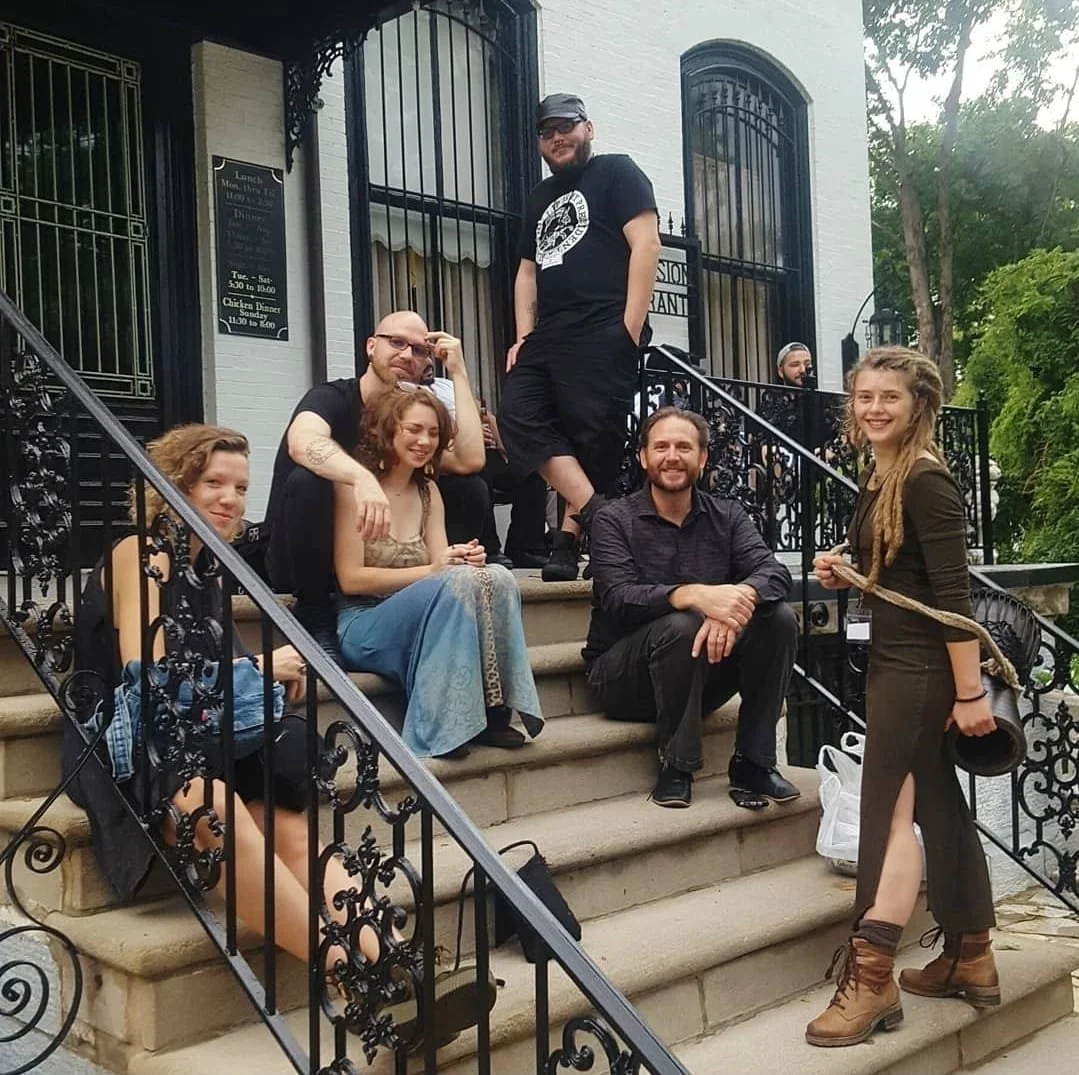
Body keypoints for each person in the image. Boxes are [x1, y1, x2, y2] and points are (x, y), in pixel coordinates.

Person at [806, 347, 998, 1048]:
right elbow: (906, 576)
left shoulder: (923, 480)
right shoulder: (882, 474)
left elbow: (953, 598)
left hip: (920, 671)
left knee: (888, 813)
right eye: (863, 397)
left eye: (889, 397)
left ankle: (872, 974)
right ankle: (970, 955)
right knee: (938, 805)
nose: (874, 408)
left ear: (919, 405)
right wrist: (848, 574)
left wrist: (970, 689)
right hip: (895, 660)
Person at [583, 406, 801, 810]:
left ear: (701, 459)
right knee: (682, 624)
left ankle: (754, 763)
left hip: (700, 669)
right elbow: (619, 598)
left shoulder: (728, 516)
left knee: (779, 620)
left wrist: (737, 602)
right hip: (622, 679)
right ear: (644, 457)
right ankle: (676, 766)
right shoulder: (613, 519)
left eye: (684, 447)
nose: (672, 456)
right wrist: (696, 595)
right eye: (661, 446)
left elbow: (773, 573)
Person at [499, 92, 661, 582]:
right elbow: (526, 273)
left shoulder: (617, 172)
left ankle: (566, 544)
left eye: (565, 127)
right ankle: (604, 519)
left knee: (590, 438)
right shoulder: (539, 197)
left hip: (603, 326)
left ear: (588, 128)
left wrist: (629, 328)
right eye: (546, 133)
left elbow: (647, 243)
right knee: (517, 414)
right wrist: (523, 336)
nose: (556, 138)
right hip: (550, 332)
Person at [333, 389, 544, 759]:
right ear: (387, 430)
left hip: (425, 616)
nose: (425, 441)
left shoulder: (429, 491)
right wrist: (435, 570)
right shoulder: (354, 488)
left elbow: (441, 569)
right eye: (414, 429)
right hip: (362, 621)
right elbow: (350, 578)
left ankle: (494, 710)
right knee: (457, 581)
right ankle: (442, 726)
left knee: (497, 576)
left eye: (433, 433)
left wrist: (462, 560)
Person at [264, 312, 486, 660]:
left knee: (470, 489)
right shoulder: (332, 398)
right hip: (301, 555)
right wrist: (360, 477)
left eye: (419, 350)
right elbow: (301, 441)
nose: (407, 355)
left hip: (377, 561)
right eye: (396, 343)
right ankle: (315, 614)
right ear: (371, 346)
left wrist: (457, 371)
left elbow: (469, 460)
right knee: (309, 481)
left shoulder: (406, 420)